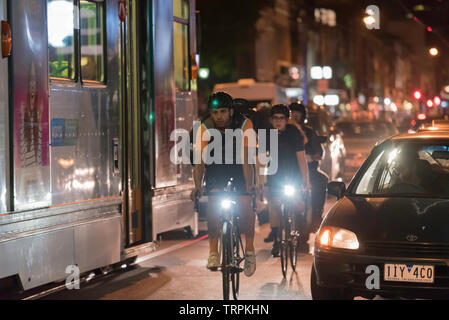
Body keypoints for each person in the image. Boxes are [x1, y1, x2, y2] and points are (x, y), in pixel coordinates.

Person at [190, 92, 257, 276]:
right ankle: (213, 251)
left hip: (240, 167)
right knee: (213, 203)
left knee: (245, 204)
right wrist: (197, 185)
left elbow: (246, 160)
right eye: (214, 112)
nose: (218, 116)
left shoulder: (244, 124)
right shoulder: (205, 127)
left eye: (222, 112)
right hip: (217, 167)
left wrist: (250, 187)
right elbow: (199, 162)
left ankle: (250, 250)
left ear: (231, 111)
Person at [265, 104, 310, 257]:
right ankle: (277, 240)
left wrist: (306, 180)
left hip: (293, 174)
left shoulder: (294, 134)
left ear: (287, 120)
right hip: (275, 175)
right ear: (271, 120)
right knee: (275, 205)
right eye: (275, 118)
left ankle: (295, 231)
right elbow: (260, 159)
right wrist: (261, 182)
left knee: (297, 204)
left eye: (282, 118)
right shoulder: (266, 134)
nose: (278, 121)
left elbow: (301, 158)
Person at [289, 102, 329, 236]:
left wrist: (312, 157)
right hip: (289, 172)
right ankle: (276, 228)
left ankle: (317, 215)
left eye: (297, 112)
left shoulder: (310, 132)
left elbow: (319, 153)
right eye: (291, 112)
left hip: (309, 171)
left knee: (322, 180)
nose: (294, 115)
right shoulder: (280, 132)